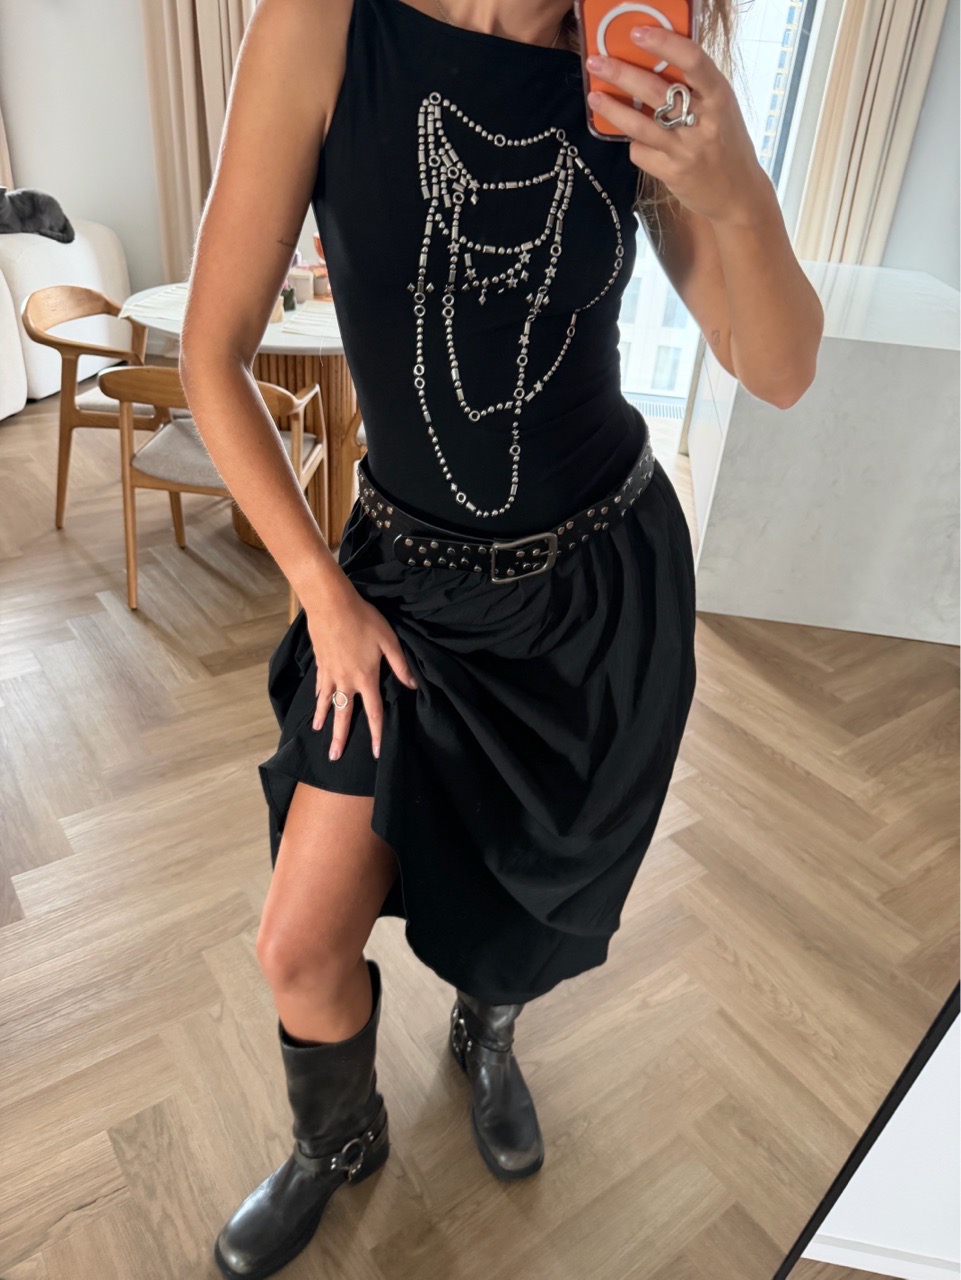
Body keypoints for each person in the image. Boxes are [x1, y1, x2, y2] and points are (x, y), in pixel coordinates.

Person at [179, 0, 823, 1275]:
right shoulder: (324, 27)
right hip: (400, 597)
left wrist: (737, 188)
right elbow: (214, 351)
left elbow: (780, 366)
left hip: (597, 597)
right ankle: (336, 1138)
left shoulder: (627, 58)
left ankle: (490, 1026)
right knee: (298, 943)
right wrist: (320, 587)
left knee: (532, 902)